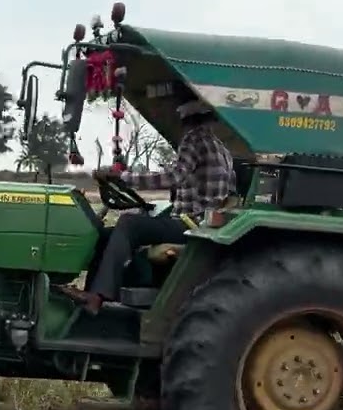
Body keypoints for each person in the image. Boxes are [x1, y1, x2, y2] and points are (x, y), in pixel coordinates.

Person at [59, 94, 236, 313]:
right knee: (106, 234)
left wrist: (125, 178)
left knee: (128, 224)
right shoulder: (223, 150)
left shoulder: (194, 140)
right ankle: (92, 293)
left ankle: (97, 296)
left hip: (190, 225)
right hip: (202, 224)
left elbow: (173, 177)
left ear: (185, 121)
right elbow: (229, 190)